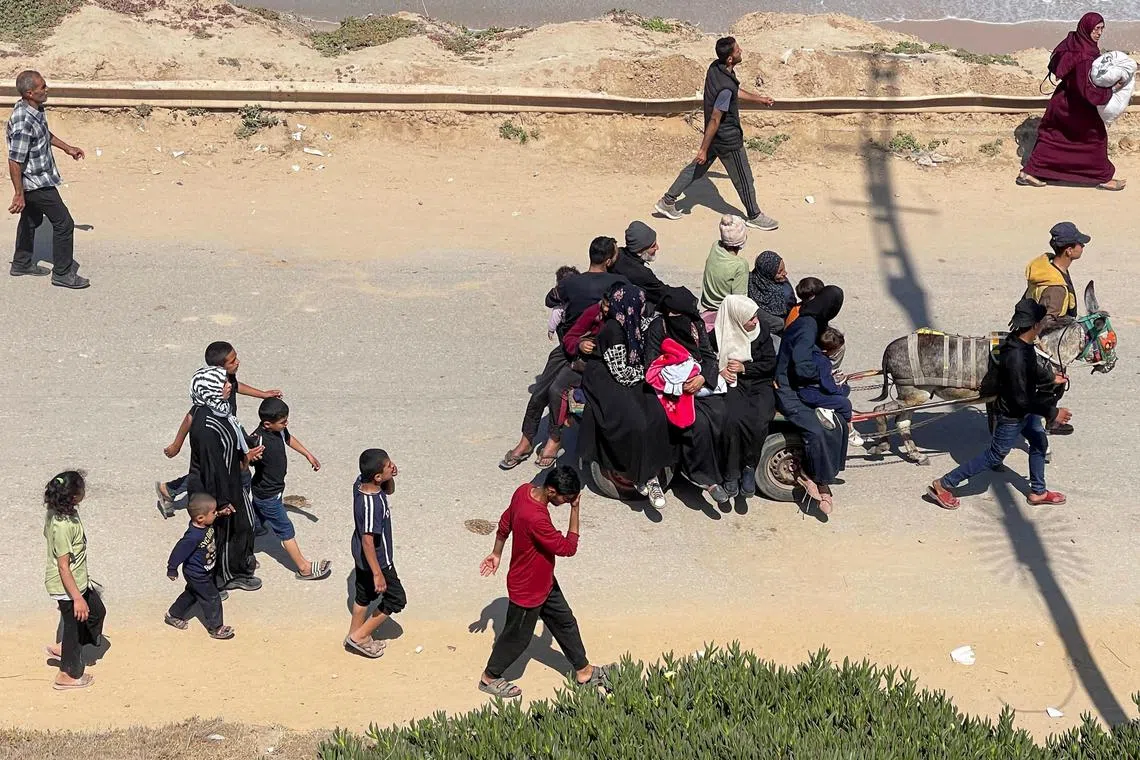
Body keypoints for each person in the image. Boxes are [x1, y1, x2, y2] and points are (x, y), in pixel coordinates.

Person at [476, 466, 609, 699]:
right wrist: (576, 510)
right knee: (516, 638)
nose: (567, 502)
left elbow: (505, 521)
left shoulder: (523, 491)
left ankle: (584, 671)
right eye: (565, 498)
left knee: (565, 622)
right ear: (550, 490)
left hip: (545, 582)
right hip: (527, 588)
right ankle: (489, 677)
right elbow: (568, 548)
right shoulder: (536, 518)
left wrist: (496, 552)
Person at [928, 300, 1071, 510]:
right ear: (1034, 324)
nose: (1044, 323)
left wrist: (1050, 377)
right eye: (1042, 320)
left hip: (1026, 411)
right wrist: (1053, 412)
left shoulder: (1022, 342)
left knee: (1039, 443)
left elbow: (1032, 369)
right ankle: (943, 484)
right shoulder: (1016, 356)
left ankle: (1038, 492)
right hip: (1013, 415)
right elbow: (1021, 399)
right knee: (994, 455)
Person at [500, 237, 626, 471]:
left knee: (543, 392)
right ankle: (547, 441)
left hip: (574, 347)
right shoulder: (619, 282)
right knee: (553, 389)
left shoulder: (571, 283)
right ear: (609, 260)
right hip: (584, 348)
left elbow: (550, 299)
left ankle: (528, 442)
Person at [655, 37, 779, 230]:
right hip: (727, 139)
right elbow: (715, 117)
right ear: (730, 59)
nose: (741, 51)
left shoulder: (716, 68)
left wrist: (759, 99)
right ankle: (754, 215)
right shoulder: (725, 88)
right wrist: (703, 149)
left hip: (714, 136)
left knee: (696, 168)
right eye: (738, 51)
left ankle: (667, 201)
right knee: (744, 178)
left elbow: (733, 90)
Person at [157, 341, 281, 516]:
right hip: (216, 438)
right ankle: (240, 515)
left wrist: (263, 394)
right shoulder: (211, 393)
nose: (237, 362)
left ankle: (170, 489)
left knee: (219, 471)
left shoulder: (227, 381)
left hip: (229, 432)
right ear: (218, 369)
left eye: (236, 357)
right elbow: (191, 416)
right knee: (224, 473)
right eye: (232, 361)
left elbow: (237, 386)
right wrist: (176, 444)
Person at [578, 284, 672, 509]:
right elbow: (624, 375)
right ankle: (643, 476)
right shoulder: (614, 330)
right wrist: (650, 372)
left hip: (632, 374)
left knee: (657, 415)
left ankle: (648, 473)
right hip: (608, 379)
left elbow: (653, 324)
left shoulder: (633, 323)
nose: (643, 309)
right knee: (633, 420)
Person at [1018, 13, 1125, 190]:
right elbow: (1088, 90)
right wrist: (1112, 89)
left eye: (1102, 28)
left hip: (1062, 103)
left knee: (1054, 138)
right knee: (1095, 138)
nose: (1099, 33)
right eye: (1096, 29)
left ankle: (1029, 172)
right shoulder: (1084, 55)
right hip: (1077, 107)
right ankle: (1103, 178)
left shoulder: (1074, 42)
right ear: (1086, 28)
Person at [646, 286, 729, 503]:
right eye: (671, 313)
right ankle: (704, 477)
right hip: (670, 387)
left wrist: (702, 378)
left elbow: (708, 357)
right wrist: (678, 383)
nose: (674, 318)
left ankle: (722, 472)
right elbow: (651, 364)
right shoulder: (659, 326)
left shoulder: (695, 325)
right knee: (698, 423)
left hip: (698, 382)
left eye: (678, 314)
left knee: (720, 414)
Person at [7, 70, 88, 288]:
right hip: (36, 182)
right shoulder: (23, 121)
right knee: (63, 223)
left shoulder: (34, 109)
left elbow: (44, 134)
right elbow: (15, 160)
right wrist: (19, 193)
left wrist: (67, 148)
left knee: (32, 220)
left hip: (38, 178)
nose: (46, 90)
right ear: (30, 93)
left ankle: (21, 263)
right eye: (43, 87)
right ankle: (62, 273)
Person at [186, 370, 265, 593]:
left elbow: (232, 442)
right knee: (218, 536)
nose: (229, 386)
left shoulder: (221, 412)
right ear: (209, 389)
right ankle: (216, 582)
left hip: (231, 483)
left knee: (244, 526)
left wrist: (247, 453)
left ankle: (236, 571)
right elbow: (213, 469)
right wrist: (221, 502)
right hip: (216, 491)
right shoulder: (206, 426)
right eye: (223, 384)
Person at [774, 285, 847, 514]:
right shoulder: (807, 327)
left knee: (835, 424)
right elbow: (803, 367)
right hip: (790, 390)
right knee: (815, 430)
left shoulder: (813, 321)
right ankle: (813, 477)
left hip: (802, 386)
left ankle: (822, 474)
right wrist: (824, 376)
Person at [249, 398, 331, 581]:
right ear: (267, 424)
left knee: (252, 523)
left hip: (273, 492)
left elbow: (288, 438)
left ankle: (232, 550)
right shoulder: (256, 440)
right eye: (283, 422)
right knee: (285, 530)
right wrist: (249, 457)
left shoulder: (278, 429)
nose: (286, 424)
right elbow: (241, 461)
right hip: (267, 495)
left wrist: (308, 455)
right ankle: (304, 568)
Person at [43, 471, 105, 690]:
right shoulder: (62, 526)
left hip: (78, 581)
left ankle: (67, 648)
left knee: (96, 611)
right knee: (74, 625)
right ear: (73, 497)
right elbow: (62, 566)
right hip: (67, 586)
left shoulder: (62, 511)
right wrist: (77, 598)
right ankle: (67, 675)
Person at [1024, 221, 1086, 435]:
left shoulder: (1049, 266)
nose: (1082, 247)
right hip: (1045, 343)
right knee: (1053, 387)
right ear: (1069, 250)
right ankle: (1045, 423)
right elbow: (1045, 323)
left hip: (1032, 331)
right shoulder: (1056, 288)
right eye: (1079, 244)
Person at [346, 448, 406, 659]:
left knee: (363, 595)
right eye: (389, 465)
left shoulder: (360, 484)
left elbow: (388, 490)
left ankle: (353, 635)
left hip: (361, 558)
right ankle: (360, 637)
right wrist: (378, 573)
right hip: (379, 561)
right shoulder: (372, 504)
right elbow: (368, 541)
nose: (393, 466)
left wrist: (389, 477)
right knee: (396, 599)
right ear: (377, 477)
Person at [715, 294, 776, 498]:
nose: (755, 321)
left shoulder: (762, 331)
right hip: (733, 385)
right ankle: (731, 473)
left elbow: (769, 363)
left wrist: (745, 368)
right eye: (750, 318)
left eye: (755, 316)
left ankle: (749, 467)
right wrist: (720, 369)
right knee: (732, 421)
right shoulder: (718, 334)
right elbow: (704, 359)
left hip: (758, 383)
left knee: (759, 421)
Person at [164, 493, 234, 639]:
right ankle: (216, 628)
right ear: (200, 518)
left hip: (205, 570)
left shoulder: (205, 524)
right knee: (212, 597)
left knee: (192, 594)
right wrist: (172, 568)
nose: (215, 514)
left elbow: (212, 517)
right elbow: (179, 551)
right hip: (197, 573)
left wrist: (220, 513)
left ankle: (173, 614)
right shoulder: (193, 536)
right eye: (213, 512)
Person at [699, 214, 750, 334]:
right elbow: (739, 300)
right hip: (724, 313)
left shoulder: (715, 246)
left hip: (708, 306)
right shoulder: (740, 265)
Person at [796, 327, 853, 427]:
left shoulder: (809, 352)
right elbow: (828, 386)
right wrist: (840, 388)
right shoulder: (824, 362)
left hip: (804, 388)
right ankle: (849, 428)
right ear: (826, 350)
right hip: (811, 394)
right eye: (835, 350)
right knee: (845, 402)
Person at [610, 221, 667, 309]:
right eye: (653, 246)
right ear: (640, 250)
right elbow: (663, 293)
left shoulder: (618, 255)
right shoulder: (643, 274)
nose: (657, 248)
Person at [747, 250, 796, 340]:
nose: (785, 273)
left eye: (783, 269)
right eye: (780, 272)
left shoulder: (750, 279)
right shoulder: (784, 292)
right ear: (767, 272)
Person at [546, 265, 579, 341]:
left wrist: (551, 330)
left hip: (567, 328)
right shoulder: (581, 297)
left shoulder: (561, 303)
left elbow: (555, 315)